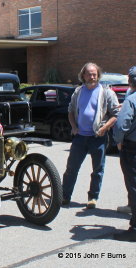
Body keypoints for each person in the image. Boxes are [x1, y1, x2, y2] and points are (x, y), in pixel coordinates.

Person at [62, 62, 119, 208]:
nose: (92, 76)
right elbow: (70, 111)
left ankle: (93, 198)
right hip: (80, 137)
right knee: (71, 169)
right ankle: (64, 196)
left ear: (98, 75)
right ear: (83, 75)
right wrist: (74, 127)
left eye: (94, 74)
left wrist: (105, 128)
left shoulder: (107, 92)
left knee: (97, 170)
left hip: (98, 137)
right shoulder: (78, 92)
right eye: (89, 74)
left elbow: (115, 115)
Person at [112, 66, 136, 242]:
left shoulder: (131, 100)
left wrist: (118, 140)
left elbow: (121, 126)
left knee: (134, 186)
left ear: (130, 81)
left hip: (132, 148)